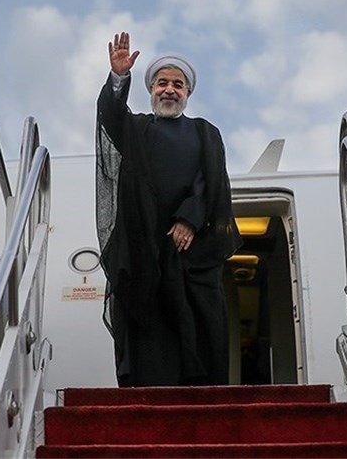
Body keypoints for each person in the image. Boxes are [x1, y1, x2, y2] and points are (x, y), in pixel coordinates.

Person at [96, 31, 242, 387]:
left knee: (202, 325)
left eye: (178, 84)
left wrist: (189, 219)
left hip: (193, 250)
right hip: (145, 250)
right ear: (151, 89)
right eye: (162, 83)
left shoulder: (205, 133)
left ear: (188, 93)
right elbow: (111, 116)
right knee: (149, 335)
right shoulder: (137, 128)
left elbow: (211, 182)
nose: (169, 90)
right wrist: (119, 77)